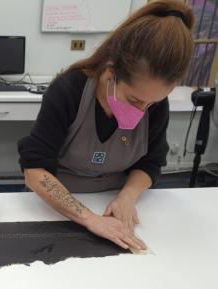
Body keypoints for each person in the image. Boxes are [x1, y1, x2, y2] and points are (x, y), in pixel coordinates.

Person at [18, 1, 194, 251]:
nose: (142, 111)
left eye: (152, 103)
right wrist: (90, 219)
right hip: (57, 207)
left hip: (113, 203)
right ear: (111, 75)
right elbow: (35, 170)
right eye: (134, 99)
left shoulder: (155, 105)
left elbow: (151, 163)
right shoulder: (69, 91)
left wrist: (128, 196)